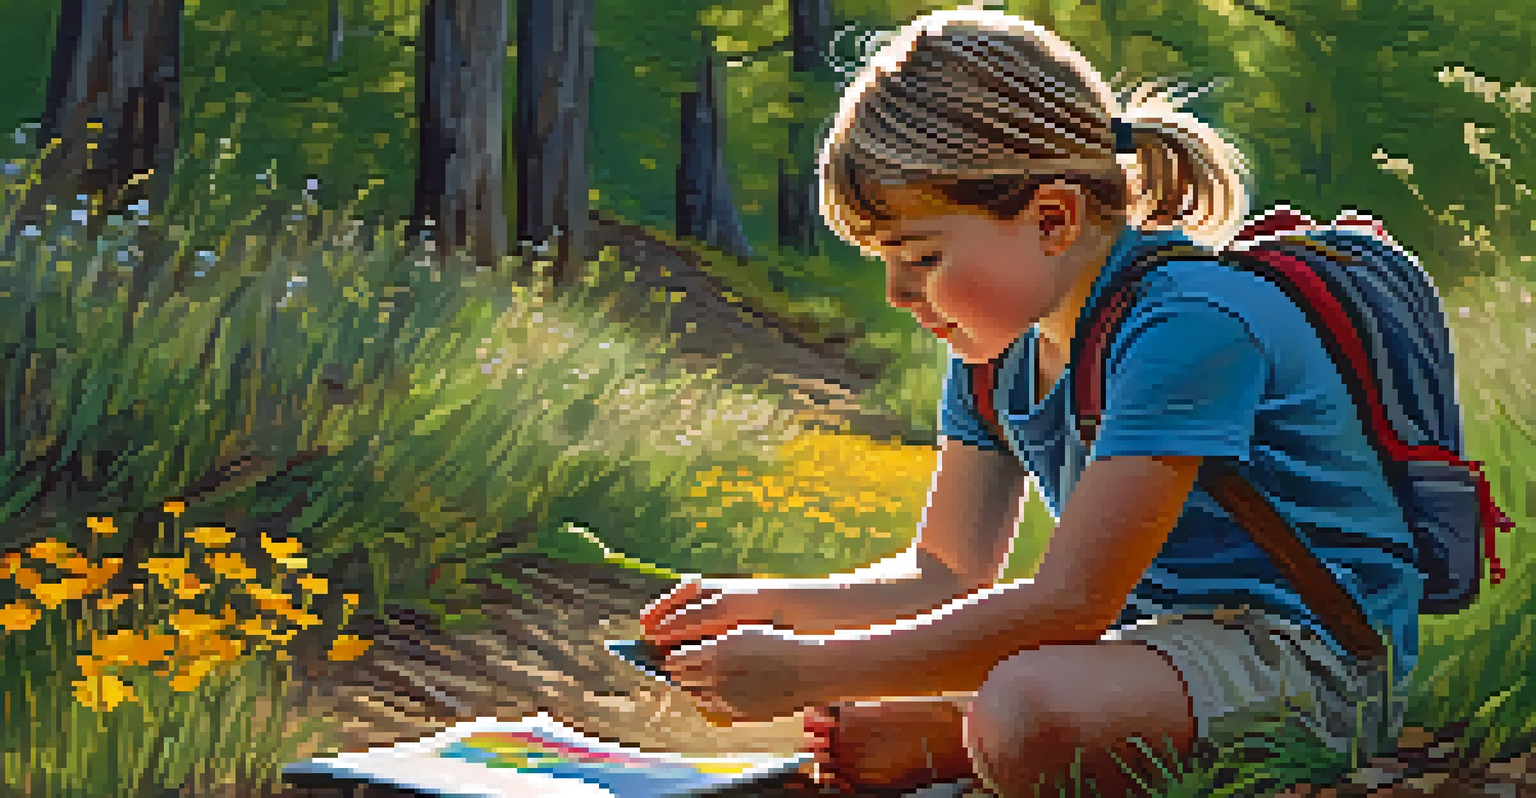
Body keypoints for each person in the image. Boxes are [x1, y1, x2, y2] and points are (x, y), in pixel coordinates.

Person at [640, 8, 1420, 796]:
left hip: (1312, 657)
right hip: (1155, 644)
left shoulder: (1186, 325)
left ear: (1053, 219)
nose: (898, 292)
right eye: (884, 260)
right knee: (971, 698)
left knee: (1021, 710)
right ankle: (976, 734)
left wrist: (804, 670)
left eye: (921, 256)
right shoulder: (996, 349)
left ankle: (972, 735)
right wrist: (766, 606)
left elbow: (1072, 604)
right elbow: (943, 570)